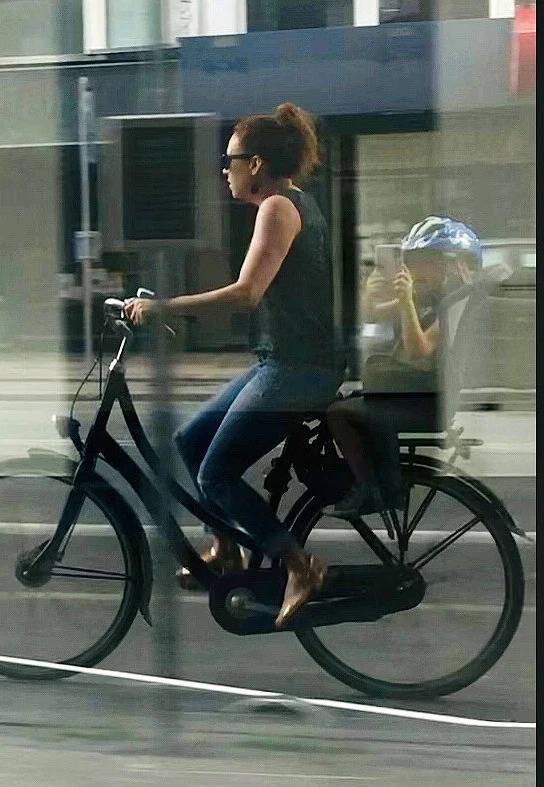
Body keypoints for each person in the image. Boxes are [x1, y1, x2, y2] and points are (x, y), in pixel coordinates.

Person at [124, 103, 343, 629]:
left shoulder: (277, 208)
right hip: (286, 362)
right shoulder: (294, 203)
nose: (225, 169)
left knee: (216, 472)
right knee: (188, 441)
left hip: (297, 370)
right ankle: (225, 545)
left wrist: (163, 308)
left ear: (258, 163)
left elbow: (247, 294)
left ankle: (299, 566)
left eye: (232, 159)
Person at [324, 216, 480, 518]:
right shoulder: (431, 297)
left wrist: (406, 300)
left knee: (338, 414)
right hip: (412, 390)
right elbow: (374, 314)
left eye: (422, 262)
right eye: (411, 260)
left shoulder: (453, 303)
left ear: (448, 266)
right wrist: (373, 292)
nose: (414, 268)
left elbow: (419, 350)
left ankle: (372, 488)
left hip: (424, 402)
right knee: (348, 402)